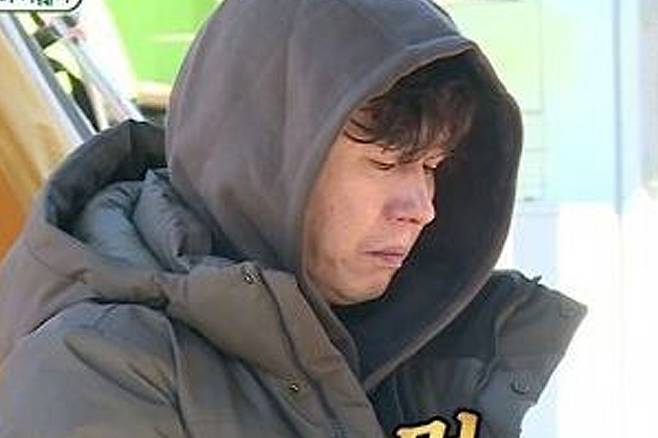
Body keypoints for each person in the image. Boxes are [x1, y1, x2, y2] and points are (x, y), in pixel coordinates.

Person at [0, 0, 586, 436]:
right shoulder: (98, 370)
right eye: (386, 163)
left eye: (432, 167)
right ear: (265, 159)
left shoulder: (403, 354)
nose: (422, 208)